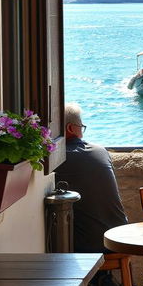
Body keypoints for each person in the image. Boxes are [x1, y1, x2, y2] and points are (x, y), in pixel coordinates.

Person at [55, 102, 128, 253]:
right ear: (71, 128)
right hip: (119, 238)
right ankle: (103, 277)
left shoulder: (58, 158)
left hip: (87, 246)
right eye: (81, 126)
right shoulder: (100, 151)